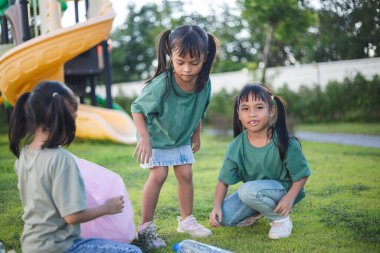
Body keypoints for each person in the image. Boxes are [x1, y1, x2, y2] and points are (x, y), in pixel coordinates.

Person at [8, 81, 142, 253]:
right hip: (60, 248)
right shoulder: (60, 159)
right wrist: (108, 207)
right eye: (73, 119)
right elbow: (72, 216)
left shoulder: (24, 156)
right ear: (61, 119)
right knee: (133, 252)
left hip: (31, 245)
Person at [131, 24, 218, 249]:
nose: (187, 69)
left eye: (194, 62)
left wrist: (197, 134)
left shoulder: (204, 84)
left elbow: (198, 110)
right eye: (180, 62)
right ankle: (145, 227)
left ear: (205, 57)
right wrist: (144, 138)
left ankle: (186, 220)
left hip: (179, 137)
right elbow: (137, 109)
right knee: (158, 175)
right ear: (171, 55)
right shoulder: (162, 84)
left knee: (186, 173)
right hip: (156, 137)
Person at [209, 83, 311, 239]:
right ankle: (260, 210)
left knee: (247, 191)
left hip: (283, 190)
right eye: (245, 108)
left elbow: (302, 174)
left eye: (258, 107)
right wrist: (216, 208)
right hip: (255, 191)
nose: (252, 114)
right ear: (238, 114)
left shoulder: (285, 141)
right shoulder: (236, 146)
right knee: (225, 217)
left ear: (271, 111)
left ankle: (280, 220)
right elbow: (223, 181)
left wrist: (289, 199)